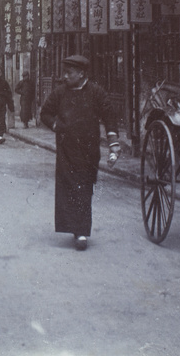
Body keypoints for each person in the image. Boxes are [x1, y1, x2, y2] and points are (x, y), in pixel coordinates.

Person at [38, 55, 120, 251]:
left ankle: (81, 231)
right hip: (66, 149)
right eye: (65, 73)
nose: (65, 77)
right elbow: (45, 113)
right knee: (68, 188)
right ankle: (77, 230)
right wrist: (56, 125)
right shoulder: (60, 93)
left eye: (69, 73)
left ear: (81, 74)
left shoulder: (96, 93)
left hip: (89, 150)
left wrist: (113, 143)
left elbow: (109, 116)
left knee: (84, 189)